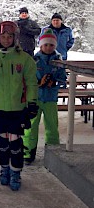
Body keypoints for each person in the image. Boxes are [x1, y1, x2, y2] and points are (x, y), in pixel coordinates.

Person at [0, 21, 38, 191]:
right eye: (3, 37)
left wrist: (32, 102)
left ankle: (16, 172)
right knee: (3, 141)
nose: (6, 40)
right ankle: (4, 169)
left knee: (15, 142)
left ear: (15, 38)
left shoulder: (24, 58)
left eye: (9, 37)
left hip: (17, 107)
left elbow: (31, 83)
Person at [23, 29, 66, 165]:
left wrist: (54, 82)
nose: (48, 48)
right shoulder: (34, 61)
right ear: (40, 45)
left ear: (55, 46)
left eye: (51, 45)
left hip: (50, 99)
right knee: (30, 127)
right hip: (35, 99)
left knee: (52, 127)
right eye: (45, 45)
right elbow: (28, 79)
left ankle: (54, 153)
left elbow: (63, 80)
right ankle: (27, 153)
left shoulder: (59, 62)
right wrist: (39, 83)